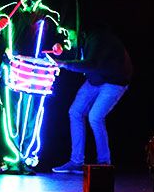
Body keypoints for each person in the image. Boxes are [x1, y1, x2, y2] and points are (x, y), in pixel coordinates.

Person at [0, 0, 72, 174]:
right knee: (11, 115)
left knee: (33, 116)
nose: (28, 0)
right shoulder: (8, 11)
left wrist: (60, 46)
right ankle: (13, 156)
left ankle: (27, 157)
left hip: (38, 73)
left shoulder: (49, 16)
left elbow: (63, 40)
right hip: (11, 69)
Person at [52, 22, 133, 173]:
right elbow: (80, 59)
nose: (67, 38)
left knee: (95, 117)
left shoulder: (97, 38)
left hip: (114, 81)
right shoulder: (85, 41)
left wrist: (64, 63)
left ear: (78, 31)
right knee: (75, 112)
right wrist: (60, 55)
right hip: (96, 79)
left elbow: (91, 64)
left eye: (69, 33)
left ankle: (104, 162)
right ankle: (76, 161)